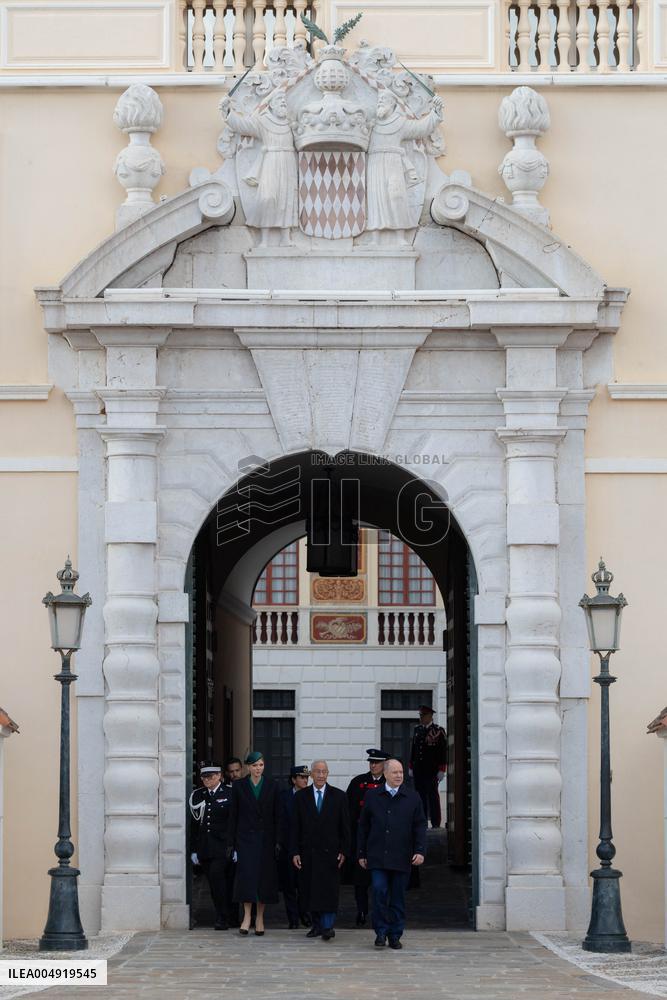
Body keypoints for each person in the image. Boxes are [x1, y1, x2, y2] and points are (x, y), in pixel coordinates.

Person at [357, 758, 427, 950]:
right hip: (377, 855)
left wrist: (420, 850)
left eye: (401, 772)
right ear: (385, 774)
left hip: (402, 856)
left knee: (397, 897)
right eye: (395, 772)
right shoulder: (372, 796)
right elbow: (363, 826)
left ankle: (395, 934)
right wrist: (361, 852)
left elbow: (420, 826)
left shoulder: (412, 797)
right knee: (379, 891)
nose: (399, 776)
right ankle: (380, 932)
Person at [220, 89, 298, 247]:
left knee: (287, 199)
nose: (283, 103)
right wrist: (228, 110)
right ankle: (265, 238)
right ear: (271, 105)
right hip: (271, 161)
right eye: (279, 100)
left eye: (284, 100)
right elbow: (244, 125)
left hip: (288, 161)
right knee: (267, 198)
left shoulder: (291, 123)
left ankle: (285, 237)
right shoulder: (264, 121)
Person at [366, 90, 443, 243]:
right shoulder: (372, 124)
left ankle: (400, 236)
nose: (380, 101)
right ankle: (374, 237)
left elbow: (420, 128)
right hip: (375, 163)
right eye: (379, 98)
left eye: (384, 98)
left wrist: (436, 112)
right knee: (376, 199)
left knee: (397, 196)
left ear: (393, 103)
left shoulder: (399, 123)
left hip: (393, 162)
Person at [291, 760, 350, 942]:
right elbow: (295, 827)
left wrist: (344, 850)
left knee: (329, 890)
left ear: (328, 774)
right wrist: (295, 851)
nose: (321, 775)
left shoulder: (339, 796)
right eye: (317, 771)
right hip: (308, 852)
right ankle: (316, 925)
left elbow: (345, 827)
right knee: (311, 889)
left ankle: (327, 926)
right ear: (311, 775)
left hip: (330, 853)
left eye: (324, 772)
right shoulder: (301, 797)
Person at [228, 750, 280, 936]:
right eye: (255, 765)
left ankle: (260, 918)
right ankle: (247, 916)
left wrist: (277, 841)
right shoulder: (239, 786)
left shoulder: (273, 785)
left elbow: (277, 815)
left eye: (261, 765)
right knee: (247, 878)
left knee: (263, 879)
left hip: (266, 840)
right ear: (248, 767)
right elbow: (233, 816)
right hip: (245, 839)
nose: (258, 768)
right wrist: (231, 843)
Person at [345, 748, 390, 926]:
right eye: (371, 762)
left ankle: (382, 912)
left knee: (383, 881)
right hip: (362, 838)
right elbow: (349, 811)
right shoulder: (358, 782)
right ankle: (362, 910)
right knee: (360, 880)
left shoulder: (390, 782)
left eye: (376, 762)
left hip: (384, 839)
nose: (373, 765)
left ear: (384, 764)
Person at [189, 760, 234, 930]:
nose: (207, 779)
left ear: (219, 776)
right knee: (215, 884)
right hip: (205, 848)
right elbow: (194, 825)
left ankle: (224, 917)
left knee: (220, 880)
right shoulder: (198, 795)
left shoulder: (230, 793)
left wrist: (234, 846)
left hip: (223, 847)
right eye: (204, 776)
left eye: (210, 776)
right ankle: (223, 915)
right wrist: (194, 850)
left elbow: (234, 822)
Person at [278, 765, 311, 929]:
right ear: (293, 780)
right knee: (289, 885)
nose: (305, 780)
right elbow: (280, 822)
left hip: (305, 848)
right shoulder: (283, 797)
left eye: (306, 777)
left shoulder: (312, 795)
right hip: (286, 847)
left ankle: (305, 914)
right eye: (301, 777)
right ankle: (293, 918)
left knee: (305, 884)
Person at [410, 704, 447, 829]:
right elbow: (413, 749)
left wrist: (442, 769)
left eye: (423, 715)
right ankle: (422, 821)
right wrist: (411, 766)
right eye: (420, 715)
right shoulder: (417, 730)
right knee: (420, 797)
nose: (421, 718)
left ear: (430, 716)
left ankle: (436, 823)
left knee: (433, 797)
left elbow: (443, 751)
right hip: (418, 770)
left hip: (431, 770)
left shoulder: (438, 731)